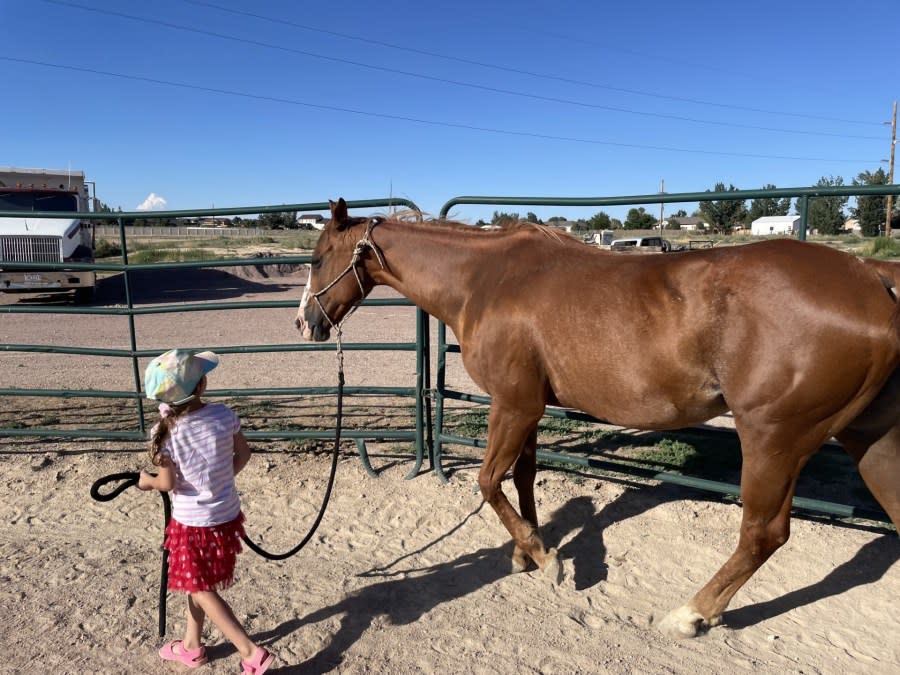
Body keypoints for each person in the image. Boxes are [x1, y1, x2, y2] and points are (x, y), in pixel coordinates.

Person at [138, 348, 274, 674]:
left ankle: (251, 652)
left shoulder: (164, 433)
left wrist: (147, 482)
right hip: (226, 516)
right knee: (196, 582)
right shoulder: (224, 416)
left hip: (191, 524)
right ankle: (191, 646)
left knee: (199, 587)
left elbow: (168, 482)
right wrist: (220, 482)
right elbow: (243, 455)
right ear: (201, 386)